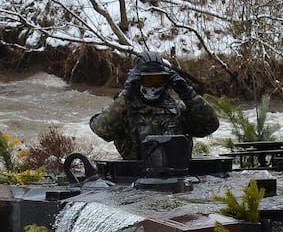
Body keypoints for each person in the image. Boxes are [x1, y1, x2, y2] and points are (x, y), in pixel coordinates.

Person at [89, 52, 220, 160]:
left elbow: (210, 125)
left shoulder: (178, 110)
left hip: (176, 176)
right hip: (134, 178)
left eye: (159, 80)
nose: (153, 86)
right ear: (138, 81)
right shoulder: (124, 110)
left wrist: (188, 94)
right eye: (148, 80)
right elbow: (101, 129)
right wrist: (126, 95)